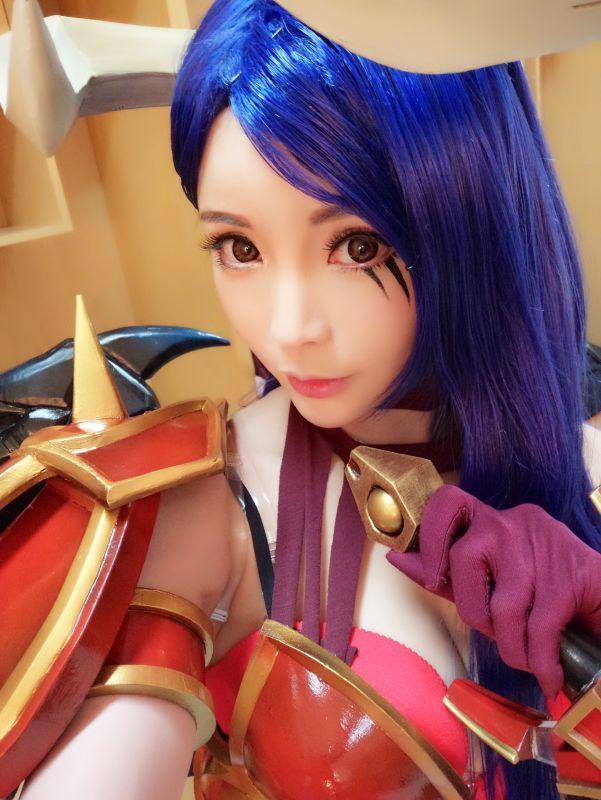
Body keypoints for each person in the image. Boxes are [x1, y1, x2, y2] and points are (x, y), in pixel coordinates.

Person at [16, 1, 601, 799]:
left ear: (472, 222)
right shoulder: (211, 510)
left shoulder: (587, 458)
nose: (288, 330)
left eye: (356, 246)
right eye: (239, 247)